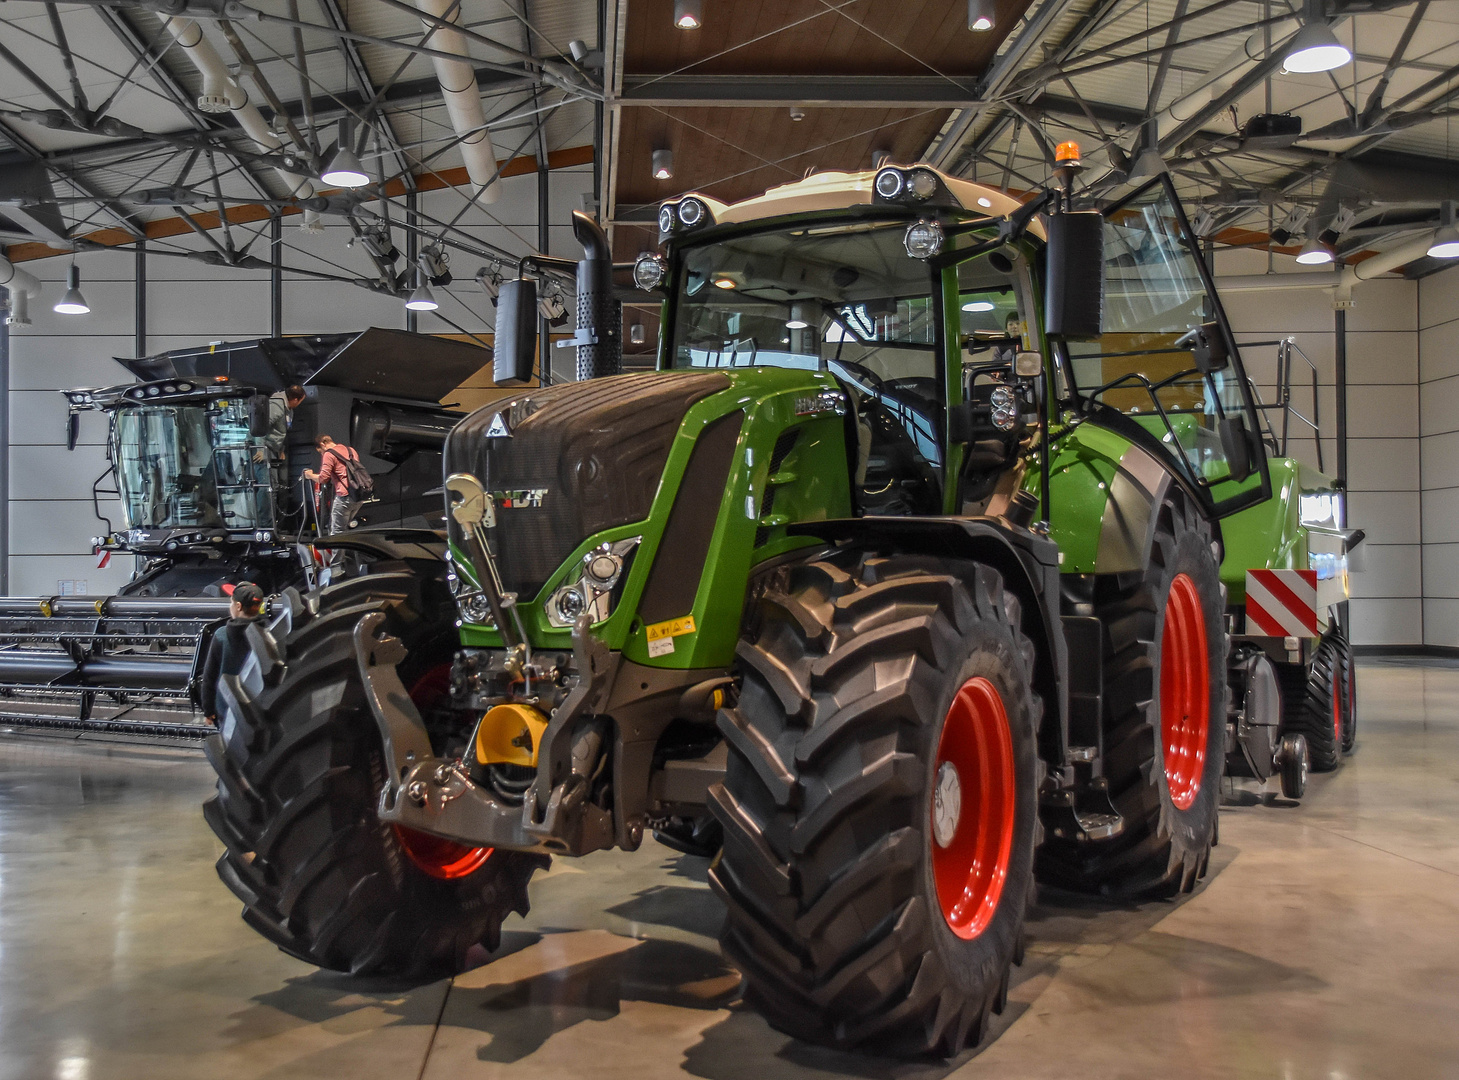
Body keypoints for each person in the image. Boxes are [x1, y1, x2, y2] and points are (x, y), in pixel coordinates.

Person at [199, 581, 266, 725]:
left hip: (227, 708)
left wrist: (208, 710)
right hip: (261, 707)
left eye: (231, 602)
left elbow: (209, 676)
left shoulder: (221, 636)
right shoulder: (268, 633)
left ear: (238, 606)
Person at [304, 433, 361, 537]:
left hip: (344, 497)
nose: (322, 454)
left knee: (336, 534)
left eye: (320, 451)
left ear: (323, 444)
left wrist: (310, 475)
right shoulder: (351, 450)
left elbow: (323, 478)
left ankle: (338, 554)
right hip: (358, 496)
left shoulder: (329, 454)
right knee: (346, 531)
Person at [254, 385, 306, 489]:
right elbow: (260, 427)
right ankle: (266, 506)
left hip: (274, 449)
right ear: (295, 400)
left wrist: (281, 449)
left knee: (281, 483)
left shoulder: (288, 409)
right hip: (264, 447)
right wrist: (259, 449)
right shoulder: (276, 407)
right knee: (268, 486)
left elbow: (282, 431)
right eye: (301, 401)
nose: (300, 404)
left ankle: (279, 505)